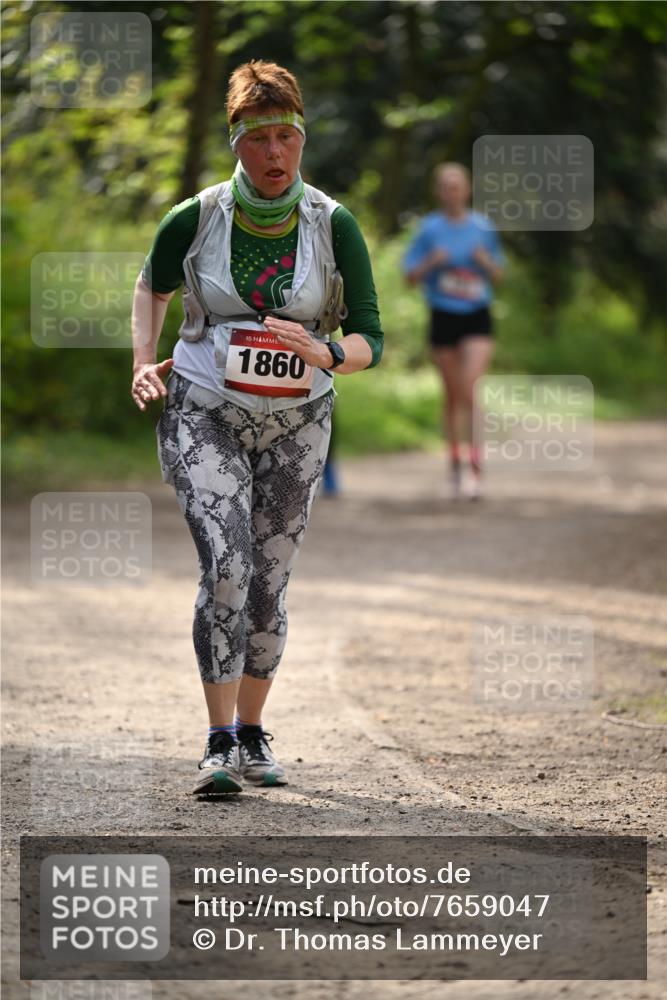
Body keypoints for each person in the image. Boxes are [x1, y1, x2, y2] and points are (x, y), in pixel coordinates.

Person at [131, 60, 383, 794]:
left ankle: (249, 732)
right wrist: (144, 360)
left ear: (302, 138)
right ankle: (215, 742)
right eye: (259, 139)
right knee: (228, 564)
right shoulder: (197, 215)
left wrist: (329, 351)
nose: (275, 154)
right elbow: (153, 283)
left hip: (299, 420)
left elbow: (370, 337)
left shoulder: (333, 224)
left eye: (287, 137)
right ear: (235, 141)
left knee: (270, 582)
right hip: (204, 407)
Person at [403, 162, 504, 498]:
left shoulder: (483, 227)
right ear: (438, 191)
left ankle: (476, 470)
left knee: (470, 388)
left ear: (467, 189)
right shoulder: (429, 228)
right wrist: (432, 261)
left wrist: (483, 261)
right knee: (451, 394)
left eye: (457, 184)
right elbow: (409, 277)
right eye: (446, 185)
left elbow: (499, 274)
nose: (452, 191)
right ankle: (455, 467)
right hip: (443, 314)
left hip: (477, 313)